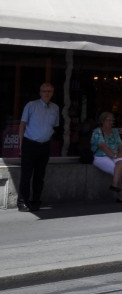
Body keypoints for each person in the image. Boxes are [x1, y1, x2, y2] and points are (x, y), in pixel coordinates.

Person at [18, 82, 60, 212]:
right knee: (26, 174)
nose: (47, 93)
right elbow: (22, 125)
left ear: (52, 93)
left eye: (49, 91)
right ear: (40, 92)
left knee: (39, 176)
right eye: (44, 91)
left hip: (45, 145)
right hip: (30, 144)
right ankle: (22, 201)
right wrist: (20, 145)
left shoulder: (55, 108)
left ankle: (36, 201)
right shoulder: (31, 105)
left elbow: (54, 126)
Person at [91, 111, 122, 203]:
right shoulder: (97, 131)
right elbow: (102, 146)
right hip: (100, 156)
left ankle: (114, 184)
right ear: (103, 121)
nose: (111, 122)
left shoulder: (115, 131)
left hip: (114, 155)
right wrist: (114, 155)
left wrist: (120, 153)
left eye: (112, 120)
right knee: (117, 170)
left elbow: (120, 144)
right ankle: (119, 196)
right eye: (109, 120)